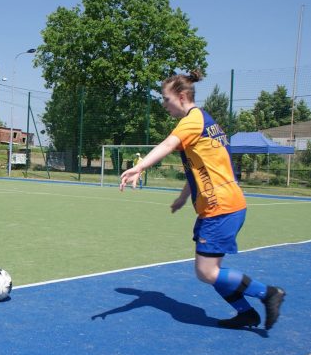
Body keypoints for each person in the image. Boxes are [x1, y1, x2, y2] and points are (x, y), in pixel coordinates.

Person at [119, 70, 285, 330]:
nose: (164, 104)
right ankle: (246, 314)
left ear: (182, 96)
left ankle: (268, 293)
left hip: (222, 207)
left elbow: (166, 145)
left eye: (166, 99)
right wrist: (183, 197)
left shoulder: (192, 120)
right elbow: (200, 169)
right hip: (219, 206)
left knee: (207, 272)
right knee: (211, 272)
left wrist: (139, 166)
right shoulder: (203, 122)